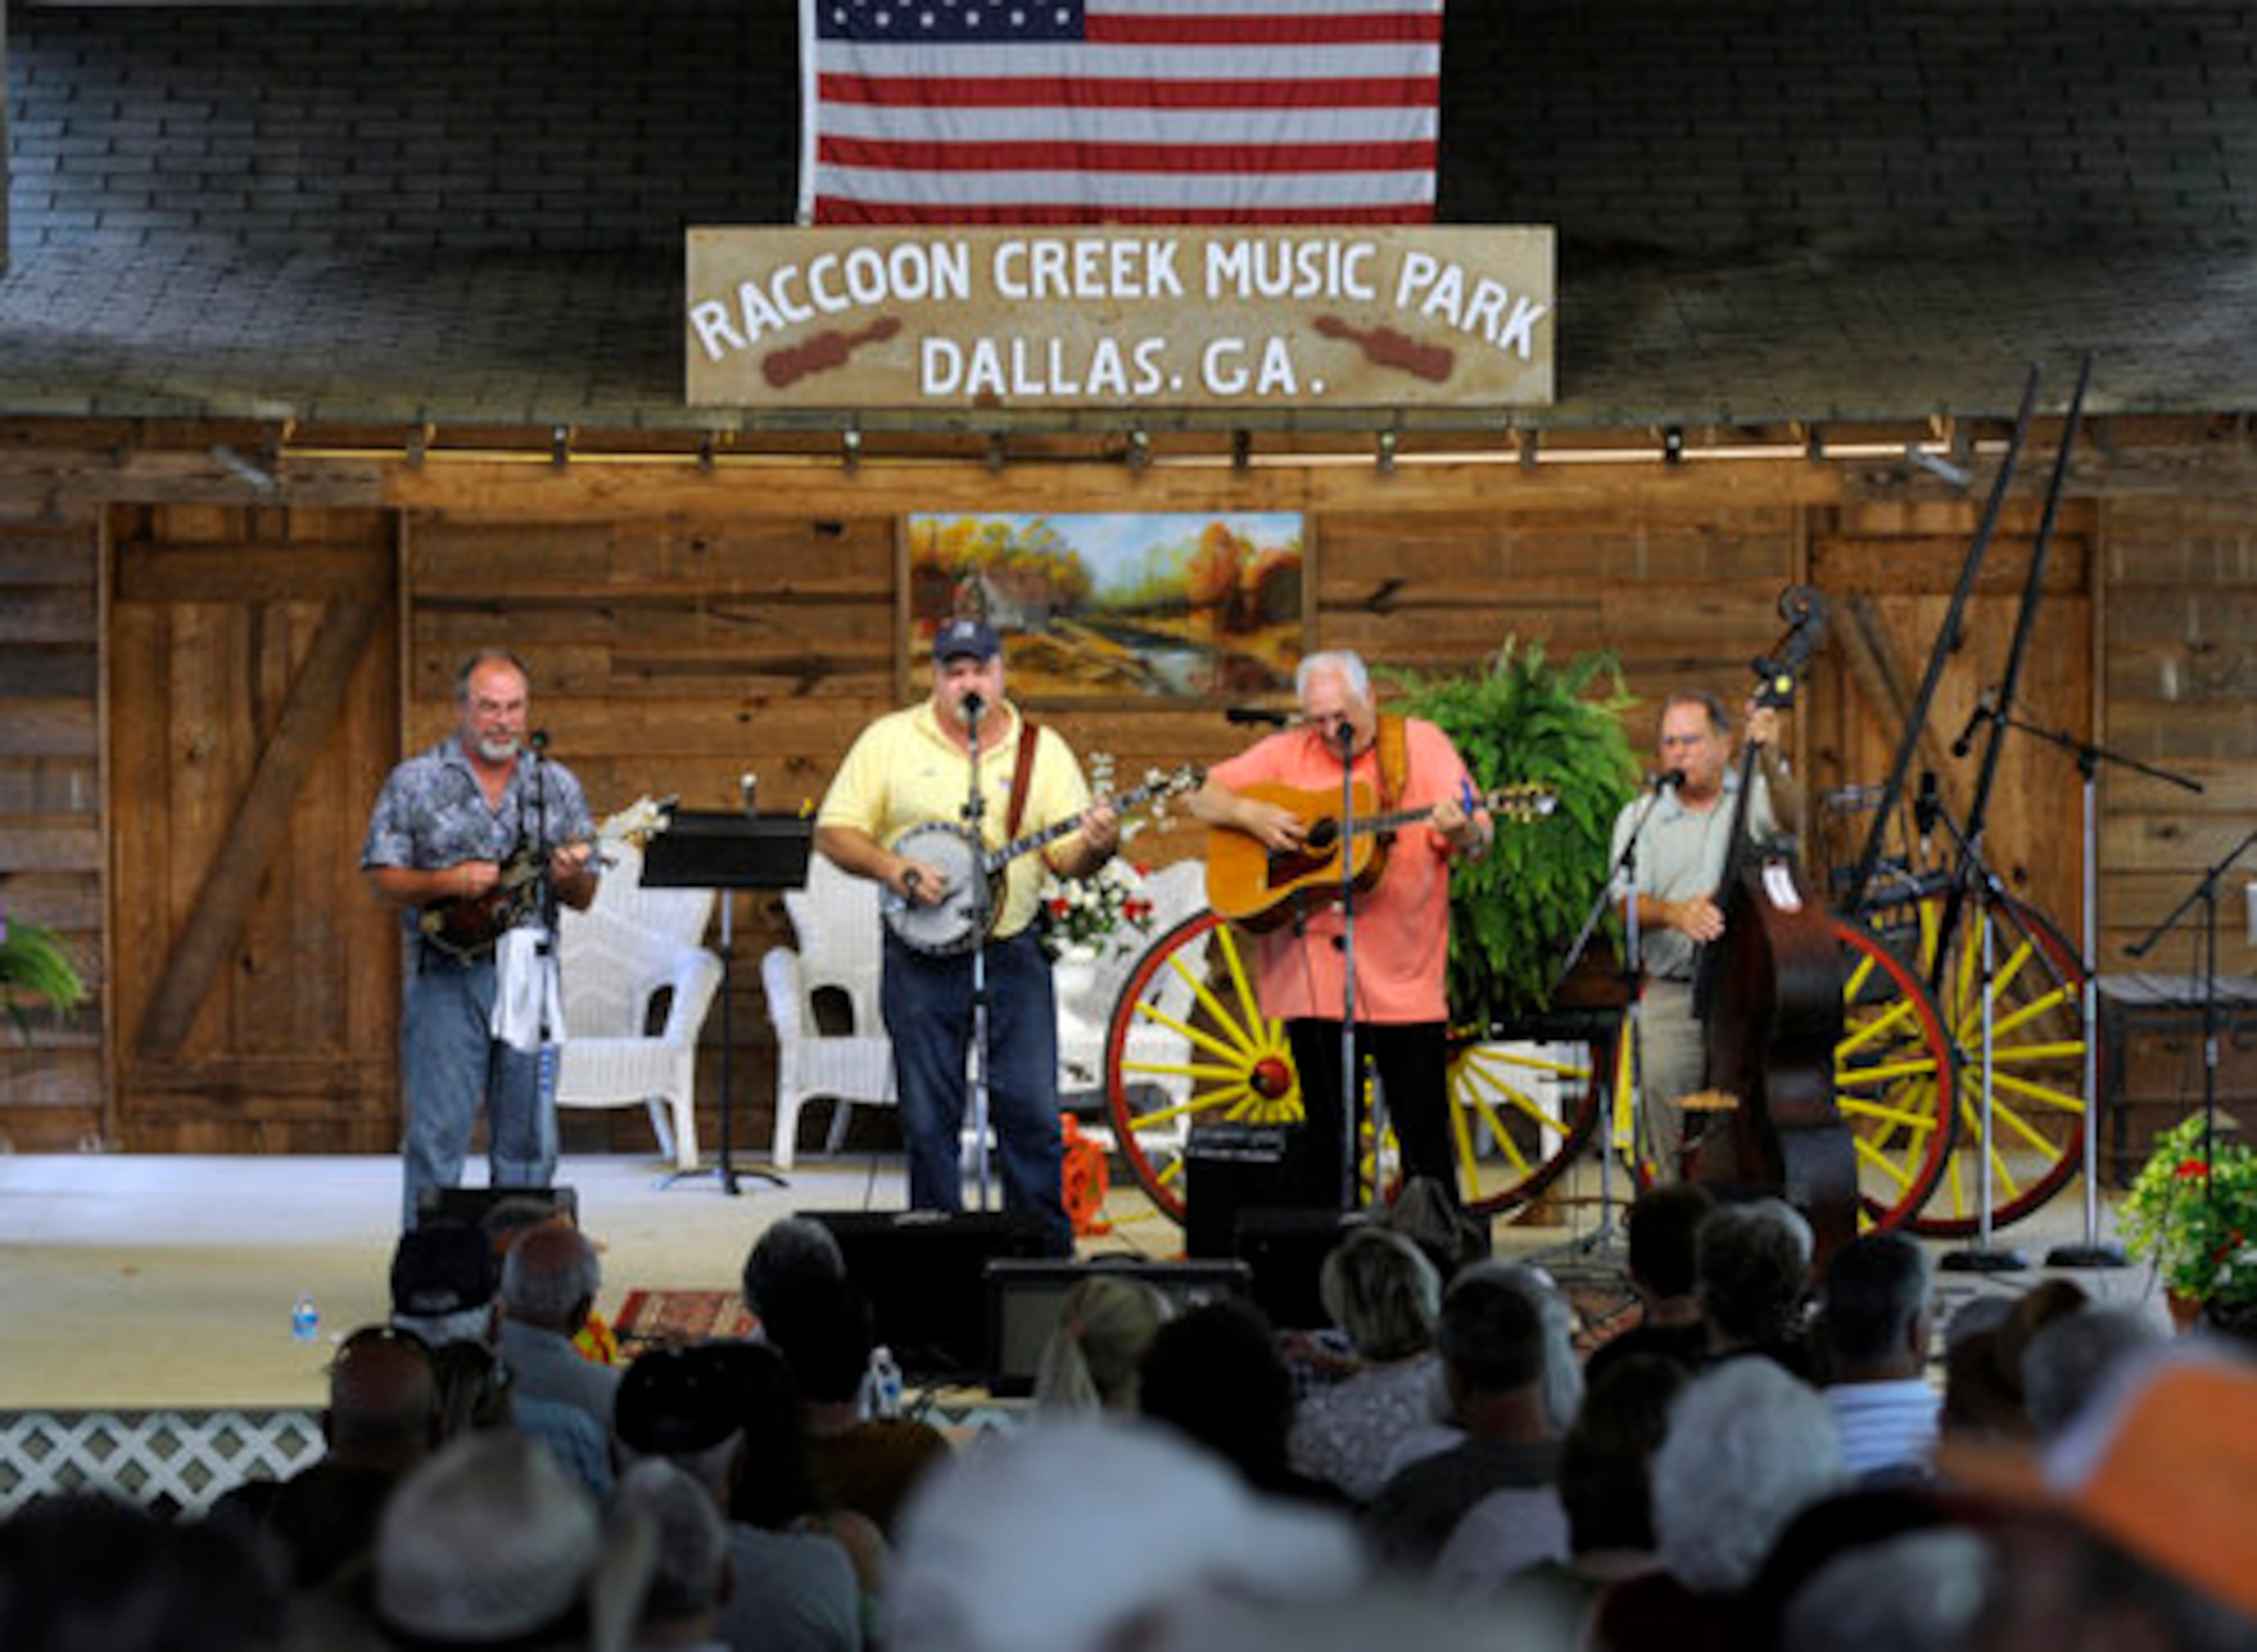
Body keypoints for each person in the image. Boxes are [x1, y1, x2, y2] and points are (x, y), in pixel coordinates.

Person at [813, 616, 1119, 1256]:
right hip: (920, 958)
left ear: (1001, 674)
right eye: (955, 672)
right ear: (937, 679)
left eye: (980, 669)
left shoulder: (1043, 750)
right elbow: (836, 830)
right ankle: (937, 1264)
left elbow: (1066, 859)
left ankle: (1039, 1266)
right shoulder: (889, 741)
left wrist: (1098, 846)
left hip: (1012, 951)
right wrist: (894, 869)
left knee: (1031, 1115)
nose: (968, 682)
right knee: (928, 1123)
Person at [1188, 649, 1491, 1209]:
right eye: (1317, 719)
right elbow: (1199, 791)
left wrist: (1465, 831)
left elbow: (1479, 838)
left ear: (1370, 697)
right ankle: (1327, 1273)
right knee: (1328, 1147)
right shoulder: (1286, 753)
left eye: (1341, 716)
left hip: (1405, 981)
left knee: (1424, 1142)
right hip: (1316, 986)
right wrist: (1249, 815)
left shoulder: (1421, 746)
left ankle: (1436, 1266)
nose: (1330, 730)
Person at [362, 648, 599, 1228]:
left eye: (514, 707)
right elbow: (380, 877)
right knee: (438, 1134)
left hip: (531, 979)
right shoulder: (416, 781)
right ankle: (431, 1284)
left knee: (529, 1140)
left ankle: (522, 1280)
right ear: (462, 707)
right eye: (489, 707)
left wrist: (571, 875)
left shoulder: (555, 785)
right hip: (445, 977)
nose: (503, 721)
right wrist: (447, 880)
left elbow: (585, 895)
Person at [1609, 691, 1802, 1179]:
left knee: (1756, 1102)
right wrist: (1675, 913)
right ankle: (1675, 1203)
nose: (1679, 752)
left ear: (1725, 743)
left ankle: (1755, 1204)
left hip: (1750, 993)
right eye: (1670, 742)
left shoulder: (1755, 800)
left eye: (1691, 741)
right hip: (1677, 987)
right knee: (1659, 1084)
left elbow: (1793, 819)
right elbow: (1623, 901)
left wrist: (1774, 756)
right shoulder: (1641, 817)